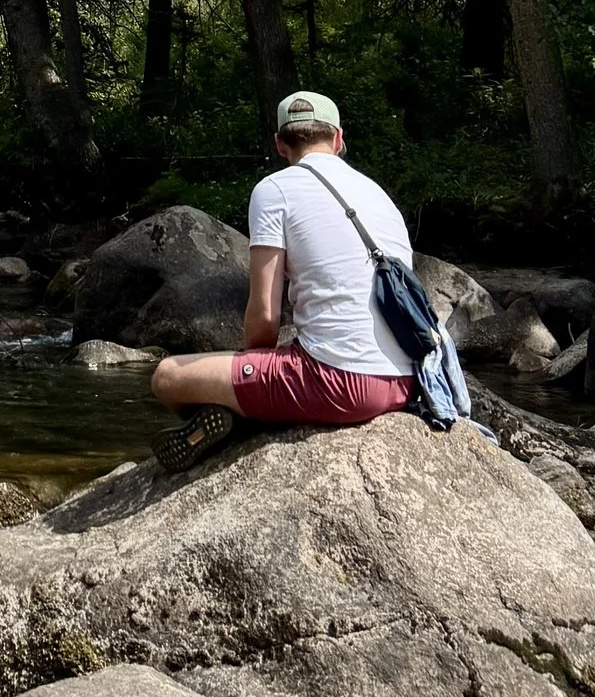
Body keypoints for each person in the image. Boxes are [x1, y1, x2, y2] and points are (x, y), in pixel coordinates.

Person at [149, 90, 415, 465]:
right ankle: (250, 411)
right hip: (405, 382)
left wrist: (247, 378)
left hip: (341, 384)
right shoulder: (378, 194)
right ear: (339, 139)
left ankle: (242, 419)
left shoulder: (274, 191)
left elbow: (265, 315)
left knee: (167, 376)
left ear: (279, 144)